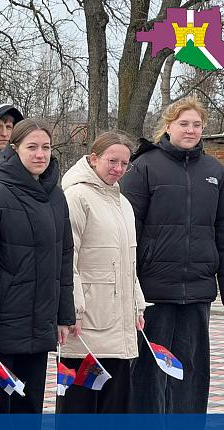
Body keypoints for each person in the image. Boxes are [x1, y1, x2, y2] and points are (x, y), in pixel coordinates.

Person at [121, 96, 224, 413]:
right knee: (151, 372)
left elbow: (221, 232)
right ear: (168, 126)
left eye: (196, 125)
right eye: (183, 123)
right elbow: (127, 231)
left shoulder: (214, 171)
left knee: (190, 370)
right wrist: (129, 287)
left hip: (198, 289)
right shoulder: (144, 167)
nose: (190, 130)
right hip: (154, 290)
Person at [0, 118, 75, 413]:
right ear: (14, 150)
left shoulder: (56, 196)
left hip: (39, 326)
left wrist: (64, 315)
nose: (40, 154)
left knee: (30, 409)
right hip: (0, 331)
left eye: (46, 147)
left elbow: (64, 255)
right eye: (32, 147)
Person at [57, 131, 146, 413]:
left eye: (124, 163)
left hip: (118, 323)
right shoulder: (76, 196)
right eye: (112, 161)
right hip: (86, 323)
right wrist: (73, 311)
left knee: (115, 405)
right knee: (80, 405)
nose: (118, 169)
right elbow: (67, 258)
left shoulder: (123, 203)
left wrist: (137, 306)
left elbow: (128, 263)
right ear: (93, 158)